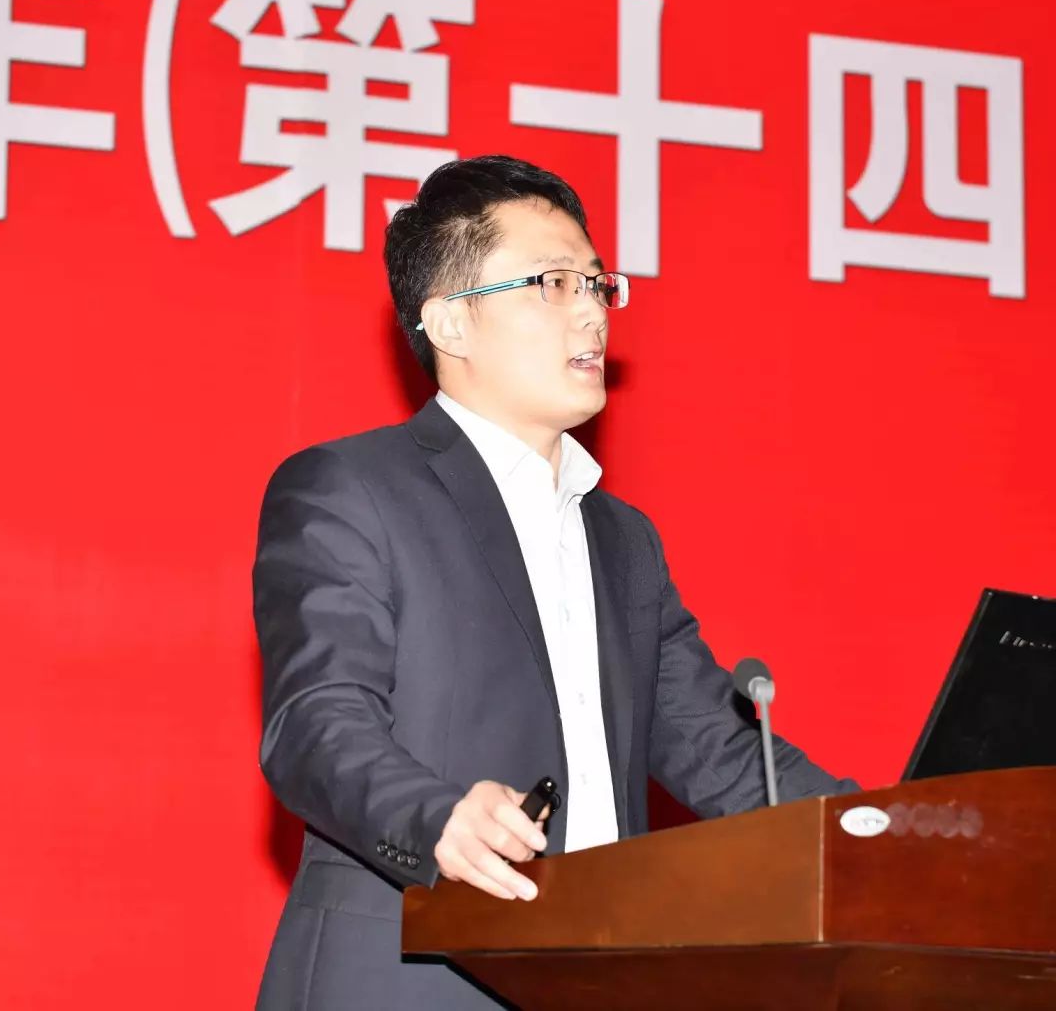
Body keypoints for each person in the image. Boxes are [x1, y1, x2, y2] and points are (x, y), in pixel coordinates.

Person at [252, 155, 857, 1009]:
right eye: (553, 282)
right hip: (410, 976)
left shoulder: (623, 539)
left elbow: (723, 754)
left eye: (598, 283)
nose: (592, 310)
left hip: (598, 978)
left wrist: (887, 836)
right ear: (450, 323)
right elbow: (314, 726)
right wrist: (438, 819)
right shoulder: (352, 490)